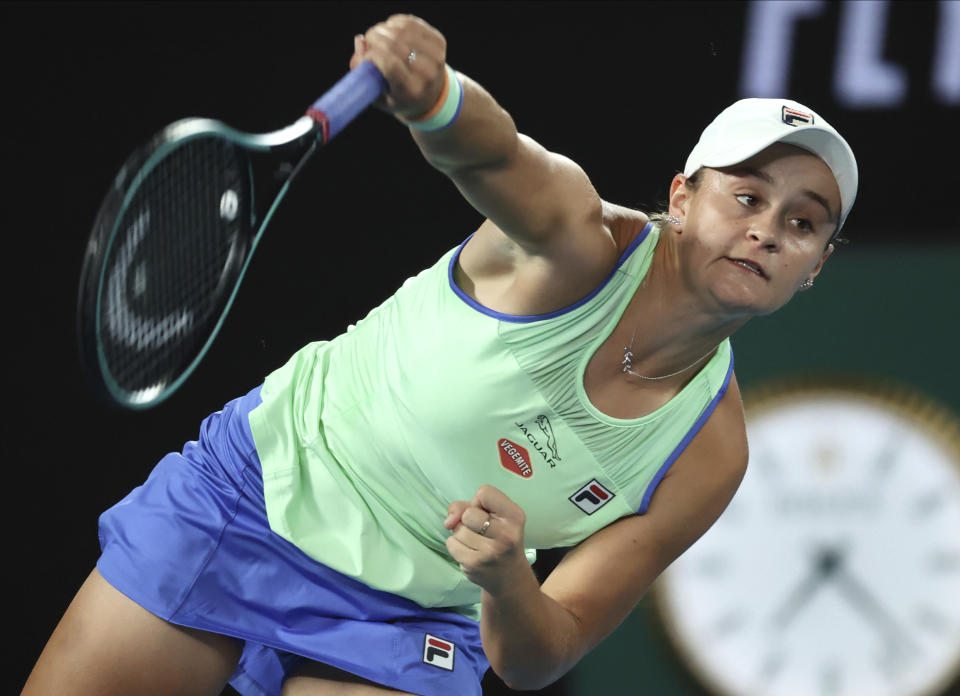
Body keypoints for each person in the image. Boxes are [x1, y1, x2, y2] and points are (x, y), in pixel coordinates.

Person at [22, 13, 857, 696]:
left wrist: (506, 583)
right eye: (746, 196)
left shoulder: (708, 453)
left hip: (413, 616)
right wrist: (435, 99)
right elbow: (494, 153)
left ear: (818, 265)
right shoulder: (575, 243)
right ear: (682, 196)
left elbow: (545, 651)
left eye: (802, 222)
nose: (765, 231)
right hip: (264, 494)